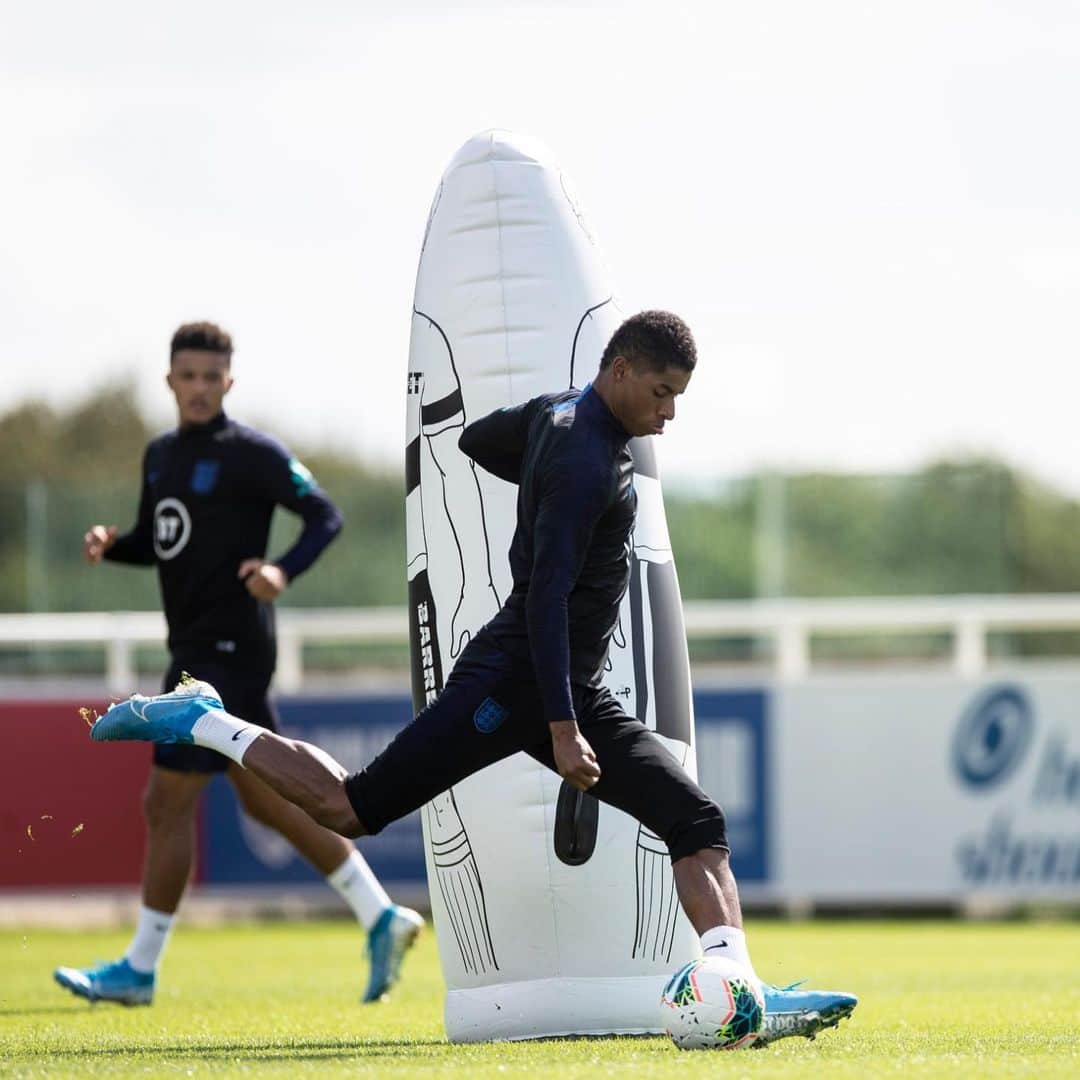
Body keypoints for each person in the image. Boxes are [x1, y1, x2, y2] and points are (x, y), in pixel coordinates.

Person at [86, 311, 856, 1044]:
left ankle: (740, 990)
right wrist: (561, 728)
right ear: (621, 371)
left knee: (698, 824)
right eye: (661, 394)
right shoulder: (585, 464)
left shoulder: (561, 416)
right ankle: (203, 720)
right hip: (514, 678)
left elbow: (484, 439)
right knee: (352, 808)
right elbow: (547, 599)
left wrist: (537, 476)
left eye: (677, 398)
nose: (669, 415)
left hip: (569, 685)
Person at [56, 321, 422, 1007]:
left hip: (226, 652)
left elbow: (325, 515)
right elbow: (164, 540)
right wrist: (116, 543)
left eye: (210, 376)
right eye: (186, 376)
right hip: (193, 642)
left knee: (163, 803)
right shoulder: (161, 454)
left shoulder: (251, 453)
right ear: (170, 380)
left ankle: (139, 967)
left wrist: (282, 570)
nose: (198, 388)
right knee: (266, 797)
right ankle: (380, 914)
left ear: (229, 381)